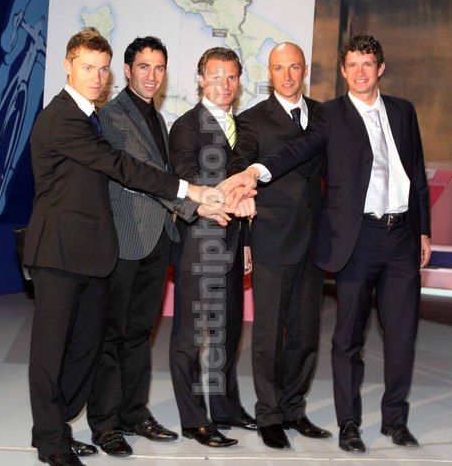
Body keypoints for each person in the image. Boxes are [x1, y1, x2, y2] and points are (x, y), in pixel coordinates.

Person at [23, 28, 232, 466]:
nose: (96, 77)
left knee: (86, 348)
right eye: (88, 68)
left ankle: (61, 426)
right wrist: (190, 192)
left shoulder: (90, 117)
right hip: (59, 251)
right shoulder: (64, 118)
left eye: (101, 69)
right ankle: (51, 441)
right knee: (51, 351)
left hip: (93, 251)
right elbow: (121, 165)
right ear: (67, 66)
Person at [225, 34, 431, 453]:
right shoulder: (330, 115)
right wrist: (256, 171)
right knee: (345, 338)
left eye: (367, 64)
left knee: (401, 335)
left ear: (380, 68)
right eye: (352, 65)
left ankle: (395, 420)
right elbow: (298, 149)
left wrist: (423, 230)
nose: (360, 72)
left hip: (401, 238)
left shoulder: (403, 111)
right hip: (355, 239)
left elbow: (416, 173)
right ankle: (347, 424)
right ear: (342, 71)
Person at [86, 36, 204, 456]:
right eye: (144, 67)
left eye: (159, 68)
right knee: (111, 334)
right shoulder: (113, 115)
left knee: (139, 333)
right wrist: (199, 203)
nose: (152, 76)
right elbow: (145, 171)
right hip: (123, 240)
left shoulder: (159, 119)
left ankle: (134, 412)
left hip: (156, 240)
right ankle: (104, 424)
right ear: (128, 70)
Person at [229, 42, 331, 449]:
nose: (287, 76)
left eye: (294, 67)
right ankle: (269, 414)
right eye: (278, 68)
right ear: (269, 73)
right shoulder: (252, 120)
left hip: (315, 240)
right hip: (272, 238)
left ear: (305, 70)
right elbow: (240, 170)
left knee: (305, 332)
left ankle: (293, 408)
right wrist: (246, 237)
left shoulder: (324, 115)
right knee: (269, 333)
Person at [168, 47, 257, 448]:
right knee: (190, 337)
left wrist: (247, 242)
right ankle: (193, 419)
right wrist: (231, 196)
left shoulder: (243, 127)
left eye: (232, 77)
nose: (225, 84)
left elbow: (250, 185)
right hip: (199, 243)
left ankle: (225, 408)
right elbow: (188, 179)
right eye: (216, 76)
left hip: (234, 244)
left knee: (227, 332)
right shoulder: (186, 126)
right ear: (201, 79)